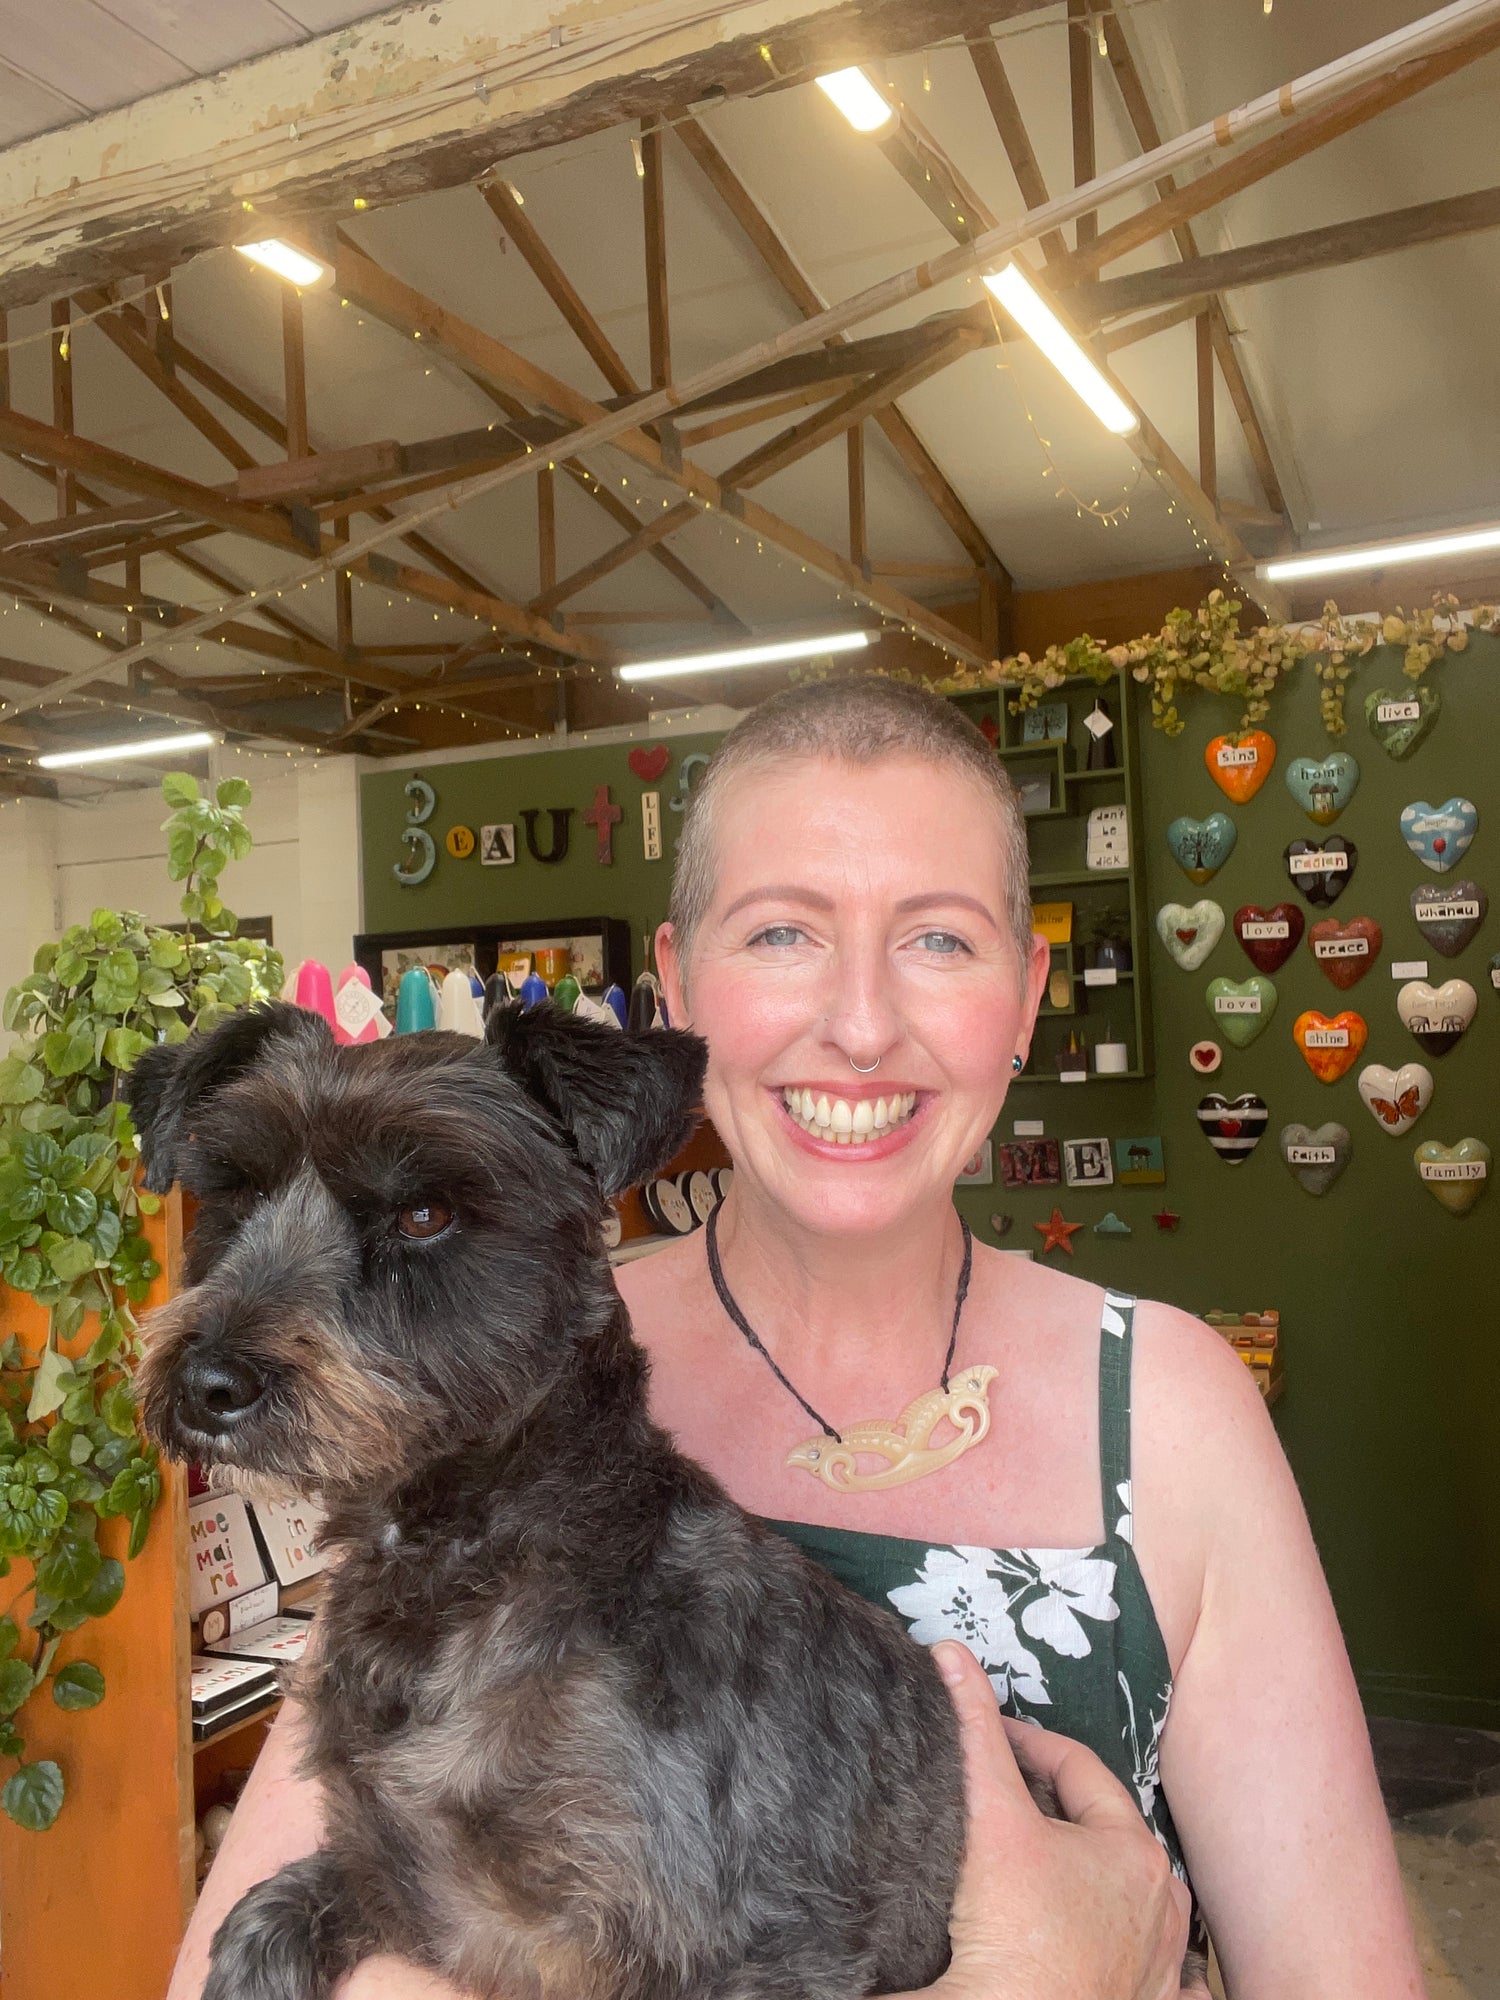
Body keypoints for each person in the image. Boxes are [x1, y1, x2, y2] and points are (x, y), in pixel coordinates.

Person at [170, 676, 1423, 2000]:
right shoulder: (494, 1389)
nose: (864, 1024)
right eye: (781, 935)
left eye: (940, 941)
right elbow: (240, 1962)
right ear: (675, 985)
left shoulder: (1167, 1406)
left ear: (1027, 992)